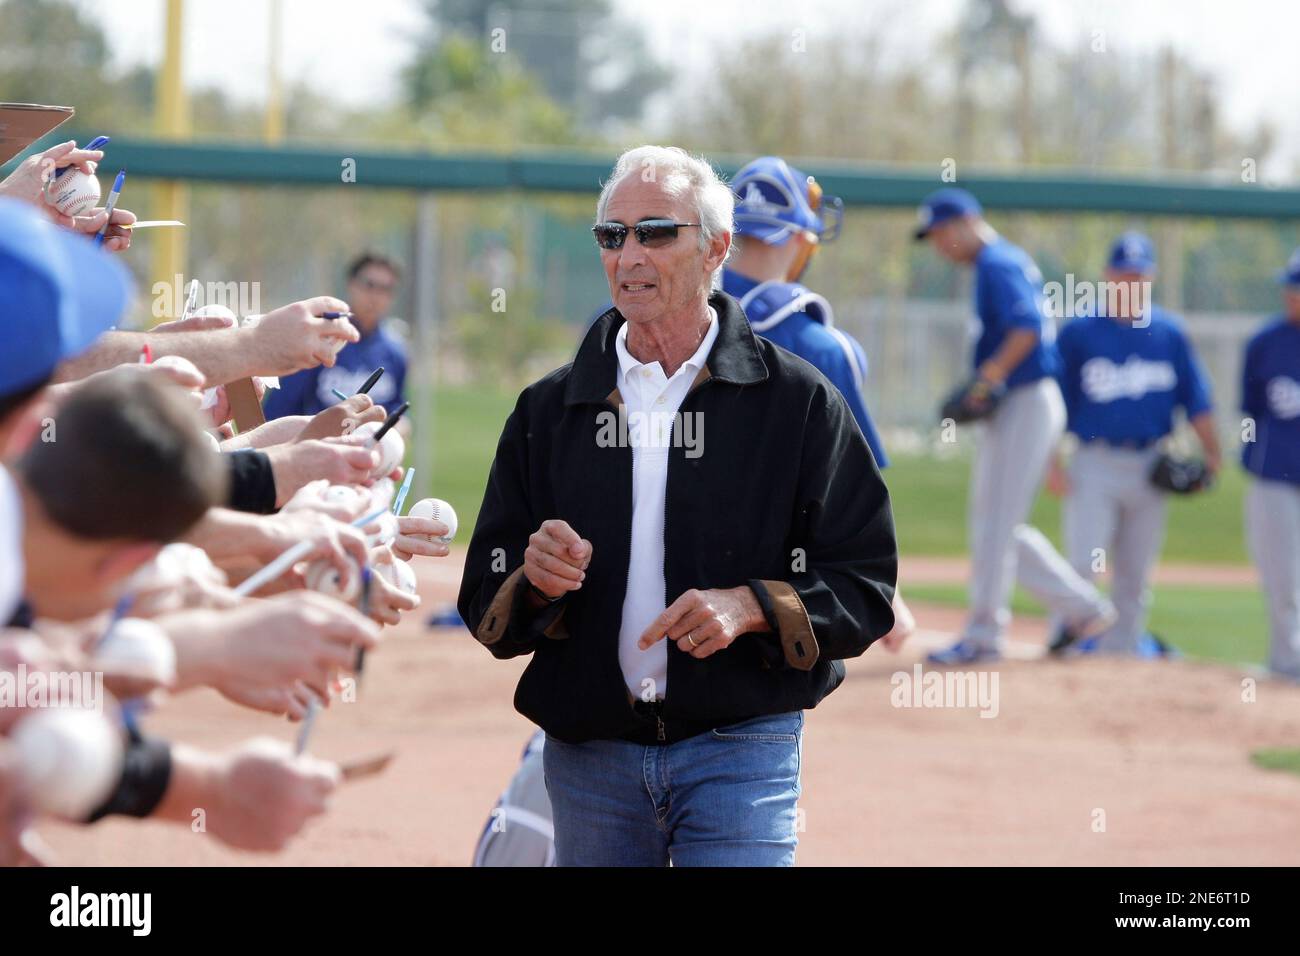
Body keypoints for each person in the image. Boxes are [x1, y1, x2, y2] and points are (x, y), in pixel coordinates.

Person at [458, 145, 897, 867]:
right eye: (612, 235)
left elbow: (866, 584)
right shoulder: (548, 411)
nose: (630, 253)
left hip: (742, 749)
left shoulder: (801, 403)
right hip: (589, 759)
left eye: (656, 231)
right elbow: (487, 599)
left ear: (716, 248)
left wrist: (753, 606)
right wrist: (532, 579)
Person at [915, 187, 1114, 665]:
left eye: (941, 233)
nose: (940, 245)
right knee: (998, 524)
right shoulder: (1004, 261)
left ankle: (986, 635)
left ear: (965, 222)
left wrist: (984, 381)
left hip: (1025, 400)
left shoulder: (996, 264)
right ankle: (1083, 610)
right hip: (1026, 402)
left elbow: (1026, 330)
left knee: (997, 526)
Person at [722, 155, 914, 648]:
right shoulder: (823, 346)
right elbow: (856, 485)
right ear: (795, 237)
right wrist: (888, 589)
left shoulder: (661, 317)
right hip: (776, 581)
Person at [1048, 232, 1219, 656]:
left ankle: (1122, 658)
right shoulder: (1080, 333)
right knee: (1085, 564)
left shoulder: (1169, 333)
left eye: (1139, 275)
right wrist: (1051, 461)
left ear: (1151, 277)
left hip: (1150, 462)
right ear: (1108, 276)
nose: (1131, 283)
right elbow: (1055, 404)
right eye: (1124, 274)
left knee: (1135, 574)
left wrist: (1212, 452)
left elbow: (1196, 399)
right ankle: (1066, 644)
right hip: (1094, 460)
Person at [1241, 249, 1300, 681]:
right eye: (1290, 287)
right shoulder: (1265, 342)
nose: (1292, 295)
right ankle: (1287, 663)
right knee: (1282, 578)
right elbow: (1248, 410)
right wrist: (1249, 456)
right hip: (1275, 476)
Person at [264, 253, 409, 420]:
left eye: (385, 289)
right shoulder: (321, 340)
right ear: (351, 285)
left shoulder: (395, 352)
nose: (376, 296)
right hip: (317, 443)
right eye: (369, 285)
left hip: (369, 444)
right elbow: (278, 410)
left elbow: (397, 407)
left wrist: (400, 425)